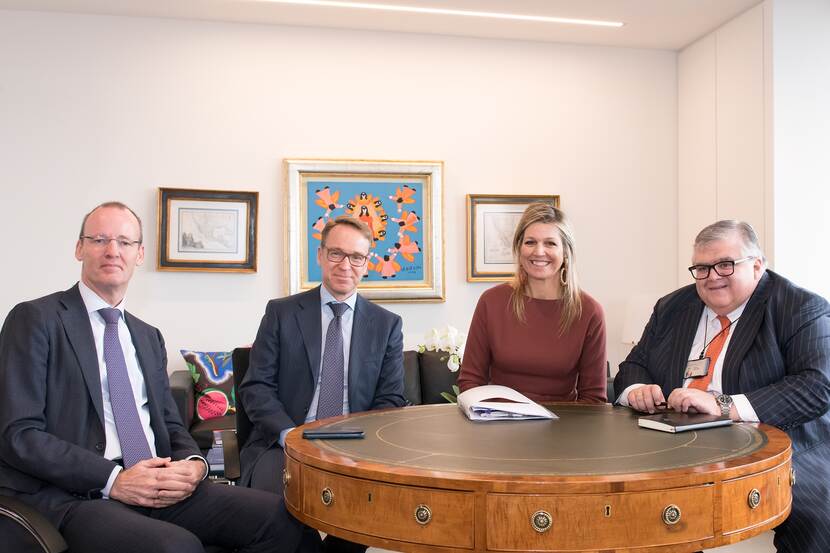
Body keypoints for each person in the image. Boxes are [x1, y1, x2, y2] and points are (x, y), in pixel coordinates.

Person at [0, 202, 305, 553]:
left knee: (286, 520)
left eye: (124, 242)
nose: (112, 250)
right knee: (177, 547)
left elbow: (171, 424)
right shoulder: (36, 319)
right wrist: (113, 479)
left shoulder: (147, 336)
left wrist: (193, 464)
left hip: (156, 483)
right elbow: (18, 433)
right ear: (79, 248)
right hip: (78, 494)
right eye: (99, 239)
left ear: (139, 254)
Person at [615, 220, 830, 553]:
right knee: (622, 505)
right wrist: (637, 389)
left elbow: (817, 386)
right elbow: (633, 366)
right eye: (702, 268)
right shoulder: (671, 307)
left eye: (725, 264)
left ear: (757, 265)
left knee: (818, 521)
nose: (712, 277)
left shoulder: (799, 306)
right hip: (673, 449)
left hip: (774, 451)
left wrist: (723, 405)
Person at [239, 216, 406, 552]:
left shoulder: (386, 324)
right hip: (284, 442)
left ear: (367, 263)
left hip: (355, 446)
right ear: (320, 255)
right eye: (336, 253)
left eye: (356, 257)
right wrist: (289, 435)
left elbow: (390, 399)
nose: (345, 265)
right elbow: (256, 387)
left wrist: (362, 443)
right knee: (276, 517)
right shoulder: (281, 313)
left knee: (365, 513)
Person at [458, 202, 607, 403]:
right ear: (519, 248)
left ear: (565, 252)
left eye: (550, 243)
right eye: (530, 242)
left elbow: (593, 399)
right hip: (499, 418)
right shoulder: (491, 302)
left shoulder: (589, 312)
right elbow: (470, 381)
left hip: (563, 421)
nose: (539, 251)